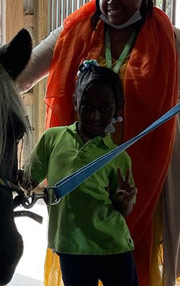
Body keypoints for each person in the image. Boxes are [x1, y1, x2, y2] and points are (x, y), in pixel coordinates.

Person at [17, 0, 180, 286]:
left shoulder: (172, 42)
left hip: (143, 170)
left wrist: (159, 140)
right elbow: (24, 73)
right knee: (81, 253)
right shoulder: (72, 31)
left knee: (133, 253)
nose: (111, 2)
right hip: (83, 173)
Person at [27, 61, 138, 286]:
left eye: (105, 108)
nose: (95, 115)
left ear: (117, 109)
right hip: (71, 248)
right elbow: (28, 180)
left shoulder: (117, 157)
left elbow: (124, 210)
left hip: (112, 248)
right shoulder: (53, 139)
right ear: (76, 102)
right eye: (87, 106)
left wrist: (123, 202)